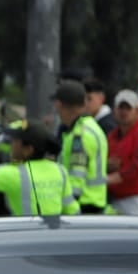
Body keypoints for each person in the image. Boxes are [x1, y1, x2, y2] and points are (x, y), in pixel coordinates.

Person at [51, 80, 109, 215]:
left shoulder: (80, 136)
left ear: (59, 105)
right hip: (95, 203)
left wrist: (63, 208)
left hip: (83, 207)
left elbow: (76, 182)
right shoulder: (92, 126)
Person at [105, 89, 138, 216]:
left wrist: (110, 178)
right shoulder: (112, 136)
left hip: (136, 200)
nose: (124, 112)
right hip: (115, 199)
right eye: (120, 108)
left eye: (128, 108)